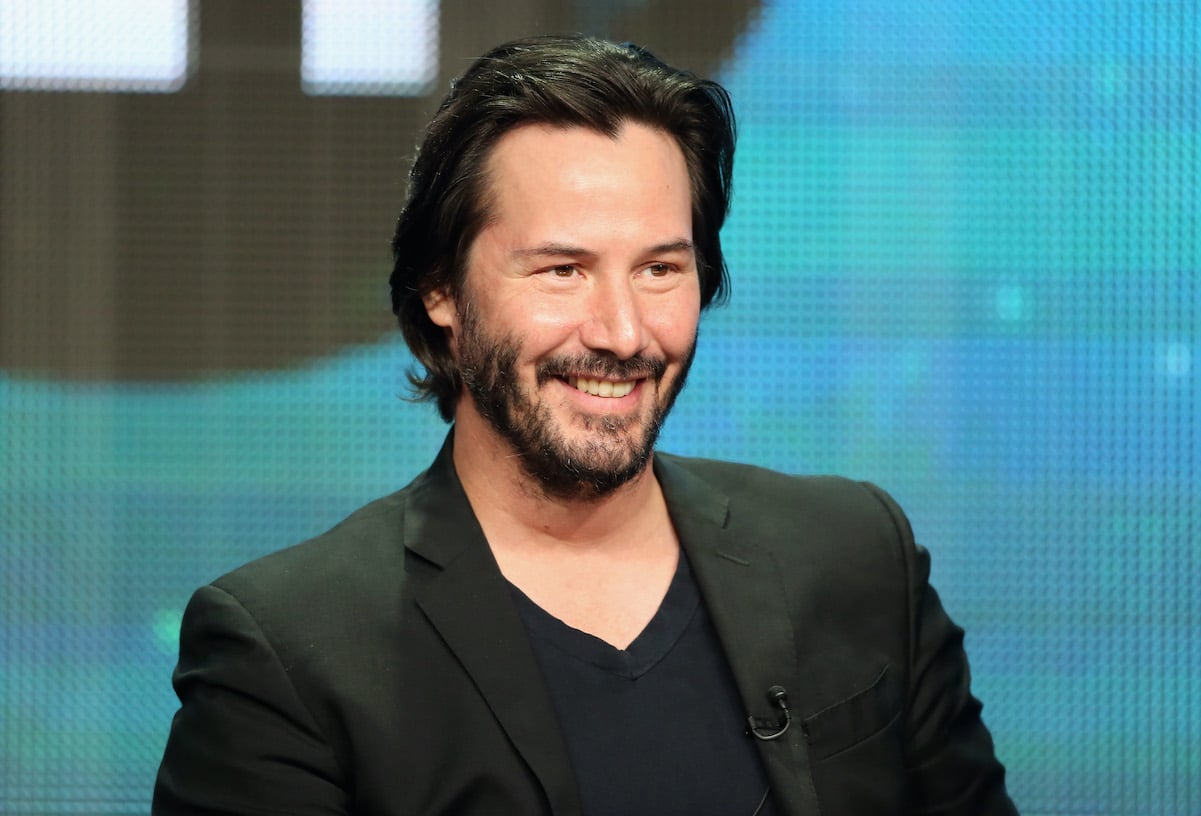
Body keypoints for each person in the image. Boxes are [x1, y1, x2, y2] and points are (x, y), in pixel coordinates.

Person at [153, 35, 1018, 815]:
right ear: (440, 290)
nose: (622, 332)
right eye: (562, 270)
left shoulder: (856, 555)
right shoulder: (288, 650)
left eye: (658, 268)